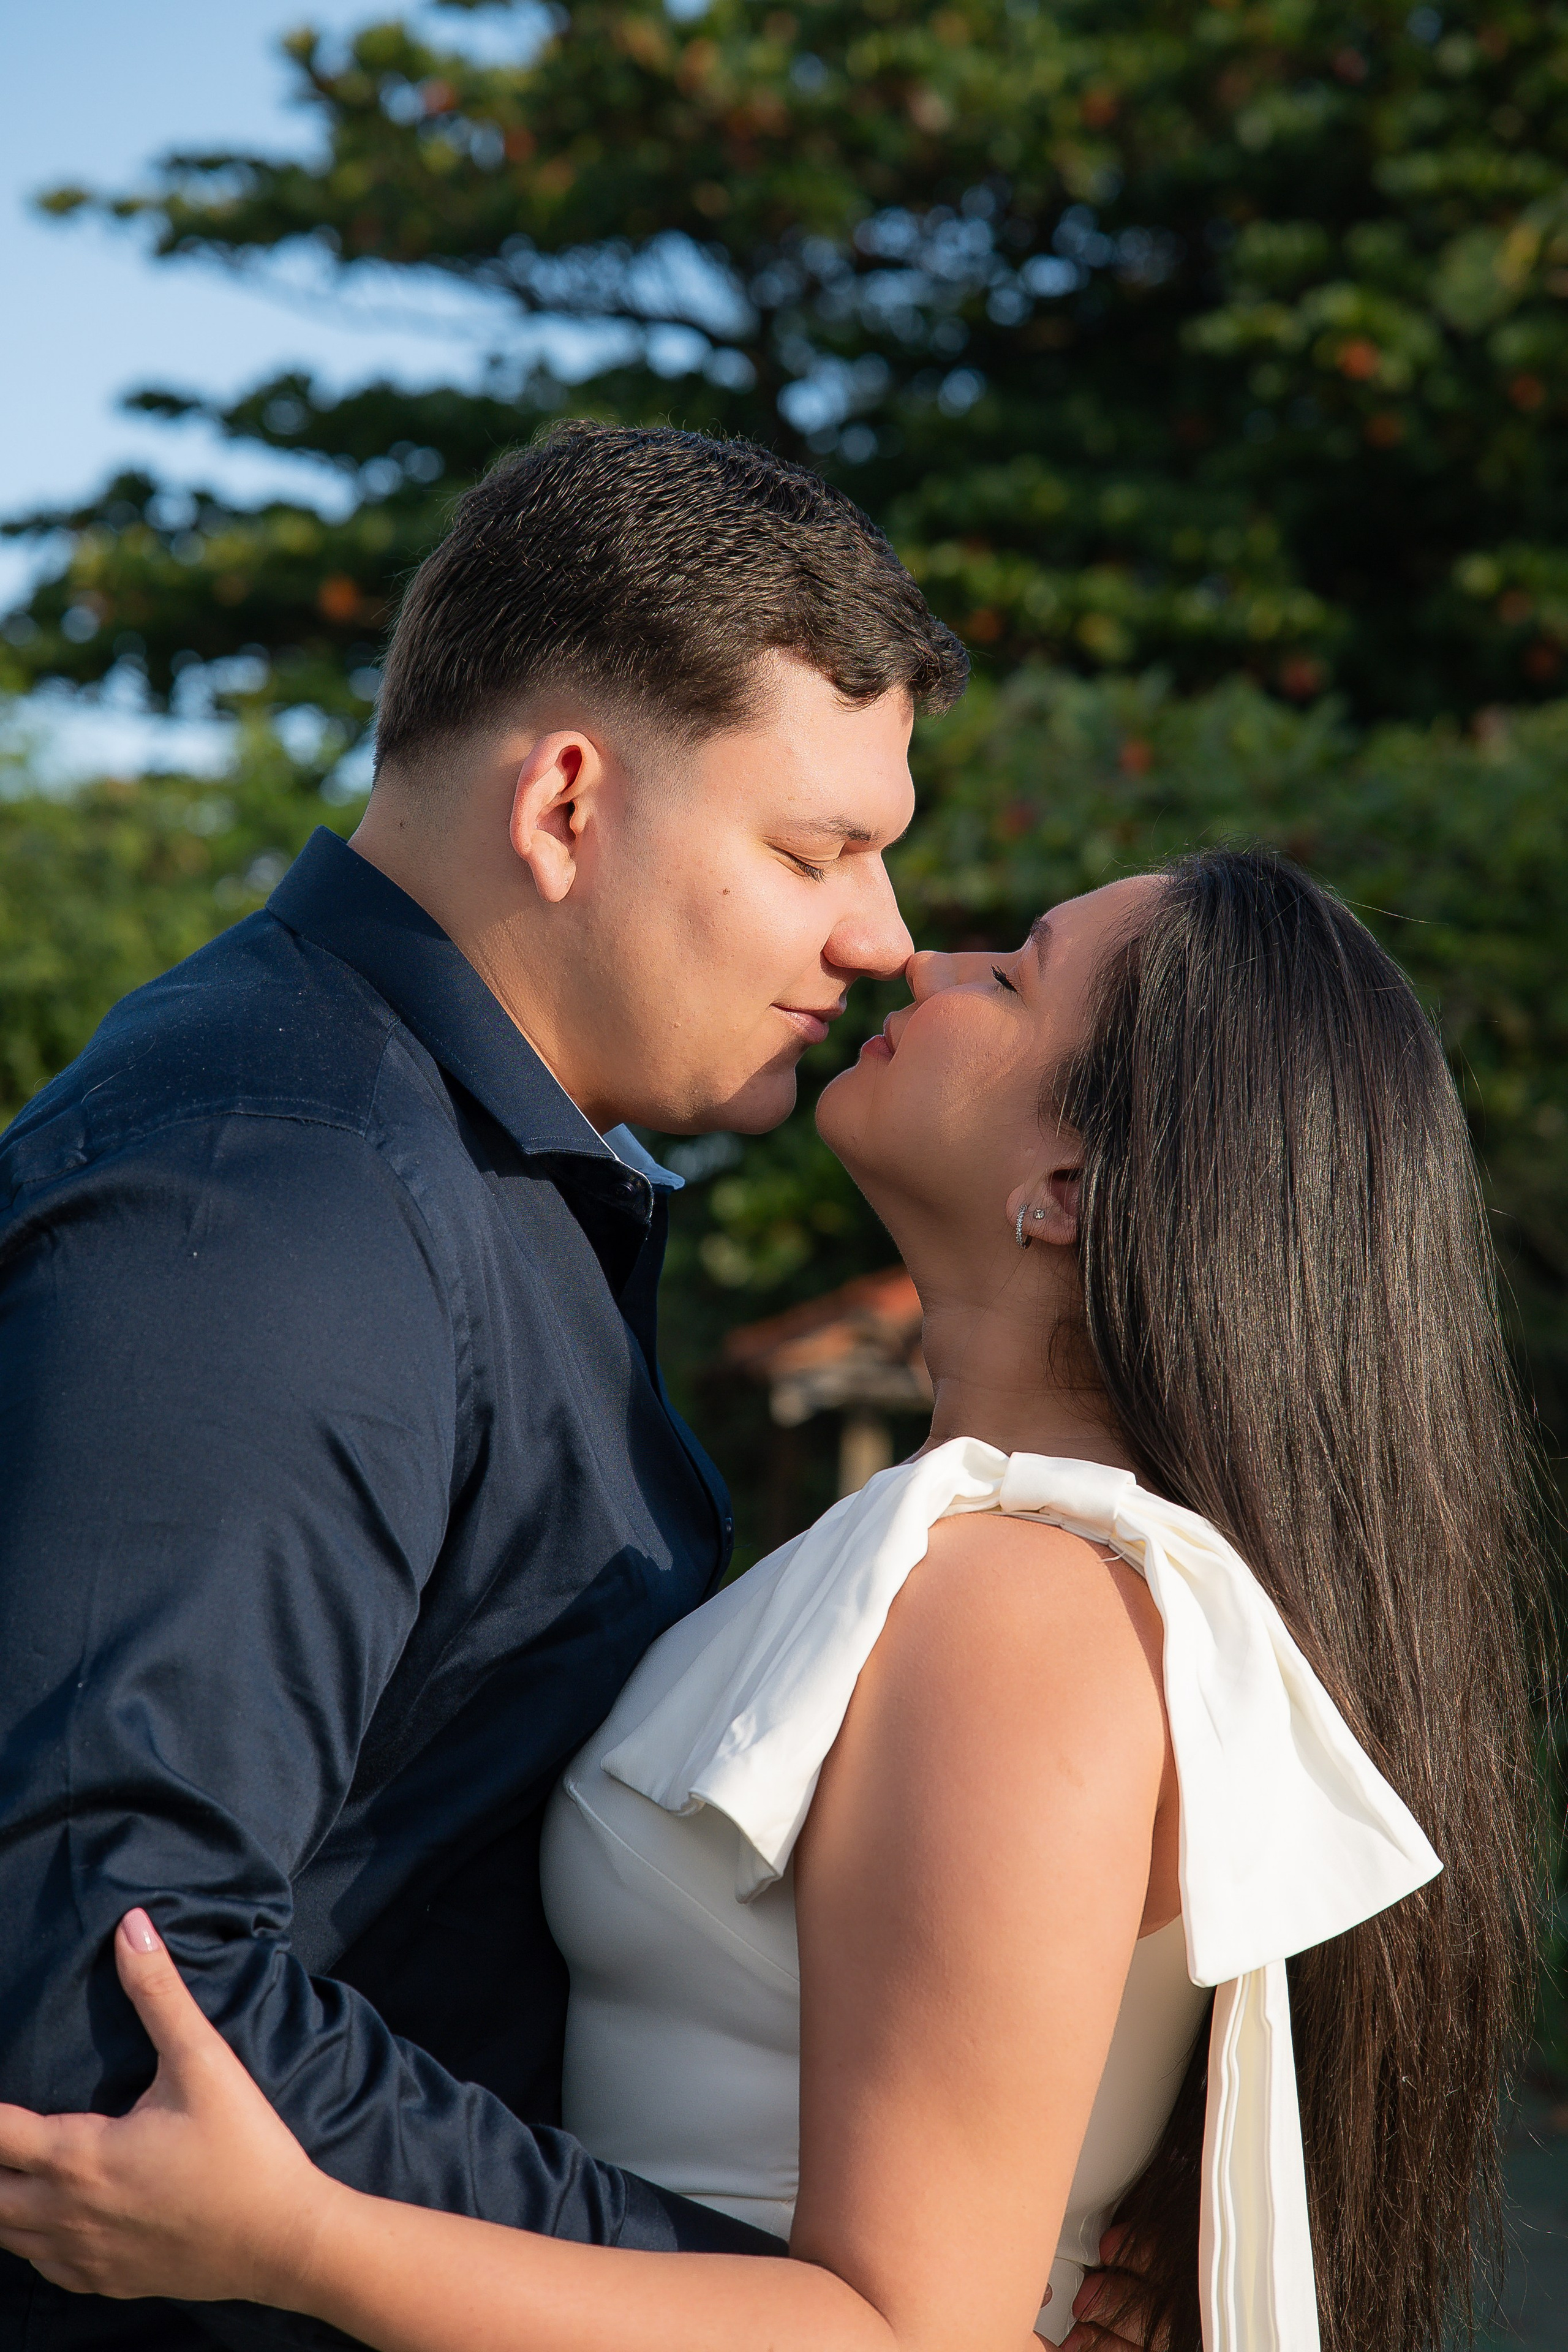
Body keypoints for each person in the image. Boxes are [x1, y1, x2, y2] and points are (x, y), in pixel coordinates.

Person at [0, 850, 1542, 2352]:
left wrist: (304, 2241)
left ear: (1063, 1187)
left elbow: (902, 2331)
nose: (909, 956)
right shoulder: (957, 1563)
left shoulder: (1021, 1610)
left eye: (1005, 977)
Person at [0, 421, 978, 2350]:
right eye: (815, 851)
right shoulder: (275, 1198)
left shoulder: (456, 1174)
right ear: (563, 807)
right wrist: (762, 2303)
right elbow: (102, 2006)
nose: (879, 942)